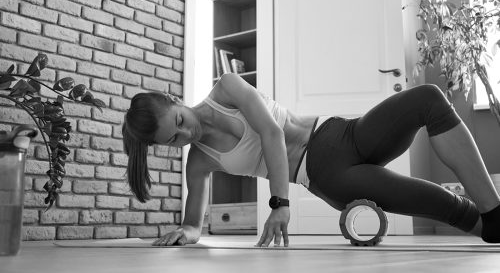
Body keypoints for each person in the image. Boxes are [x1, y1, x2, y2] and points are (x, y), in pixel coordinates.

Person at [122, 73, 500, 247]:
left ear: (175, 99)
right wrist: (185, 234)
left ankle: (495, 211)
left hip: (341, 132)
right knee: (451, 209)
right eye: (172, 142)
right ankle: (490, 225)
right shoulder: (200, 162)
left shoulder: (227, 87)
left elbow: (271, 132)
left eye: (179, 124)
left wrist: (280, 205)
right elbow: (193, 222)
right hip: (327, 174)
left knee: (428, 98)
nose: (185, 137)